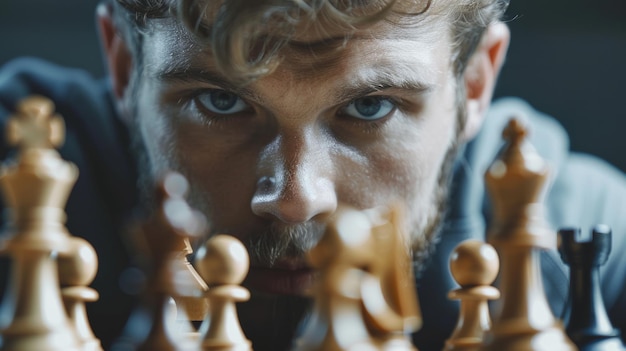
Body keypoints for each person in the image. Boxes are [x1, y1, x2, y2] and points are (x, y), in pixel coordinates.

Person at [0, 0, 625, 350]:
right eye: (220, 103)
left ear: (476, 83)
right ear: (122, 64)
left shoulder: (588, 246)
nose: (296, 199)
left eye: (369, 107)